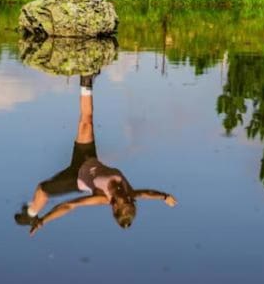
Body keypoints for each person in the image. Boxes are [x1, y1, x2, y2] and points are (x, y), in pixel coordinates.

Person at [14, 73, 177, 235]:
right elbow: (148, 193)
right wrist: (164, 197)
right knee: (87, 121)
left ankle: (30, 215)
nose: (126, 198)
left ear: (114, 208)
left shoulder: (102, 198)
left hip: (75, 178)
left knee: (42, 191)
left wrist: (43, 220)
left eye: (123, 202)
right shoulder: (130, 192)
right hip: (89, 158)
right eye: (129, 201)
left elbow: (70, 205)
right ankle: (86, 79)